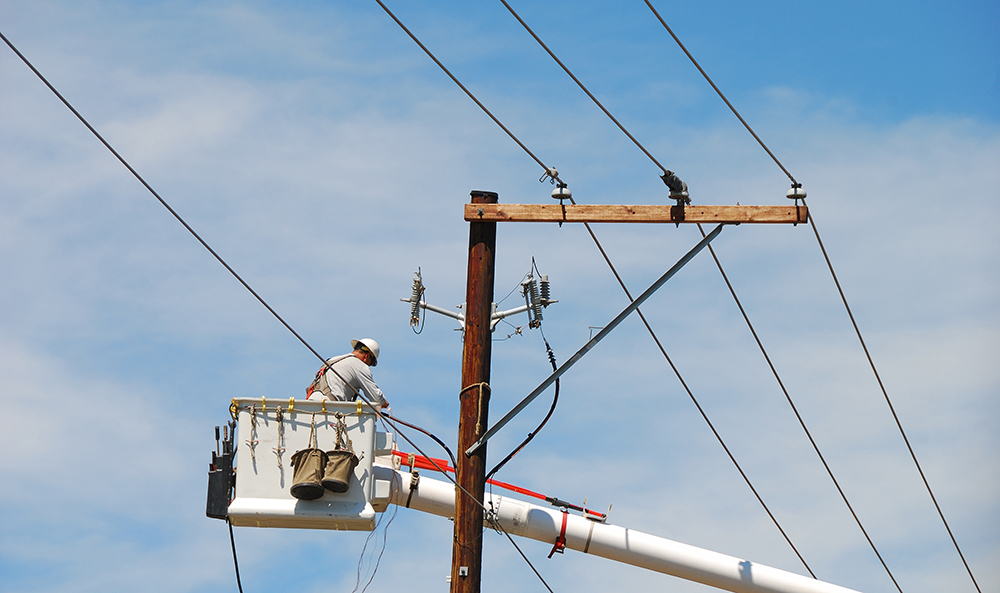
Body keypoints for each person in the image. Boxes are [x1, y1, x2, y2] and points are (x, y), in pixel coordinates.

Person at [306, 338, 389, 408]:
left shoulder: (333, 360)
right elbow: (376, 398)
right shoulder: (360, 366)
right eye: (370, 363)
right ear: (366, 356)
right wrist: (384, 402)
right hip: (328, 408)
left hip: (309, 405)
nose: (368, 365)